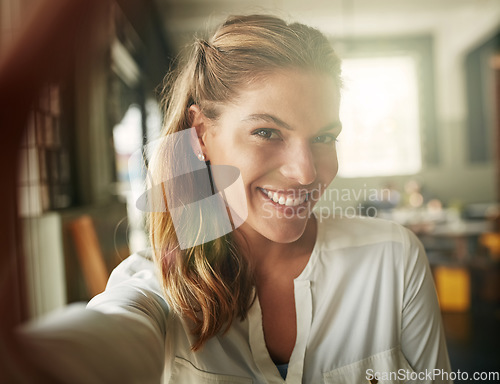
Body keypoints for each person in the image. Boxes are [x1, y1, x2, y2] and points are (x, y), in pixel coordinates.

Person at [17, 14, 452, 384]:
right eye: (266, 132)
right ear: (202, 134)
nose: (306, 172)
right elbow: (110, 334)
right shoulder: (157, 287)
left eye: (324, 136)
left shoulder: (392, 258)